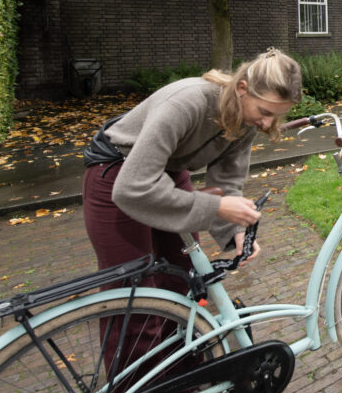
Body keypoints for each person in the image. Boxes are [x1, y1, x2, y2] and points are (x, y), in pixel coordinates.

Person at [82, 48, 302, 295]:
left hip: (169, 172)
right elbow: (133, 185)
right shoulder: (186, 102)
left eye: (276, 116)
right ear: (242, 88)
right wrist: (216, 207)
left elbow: (227, 180)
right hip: (119, 173)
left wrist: (237, 231)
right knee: (134, 287)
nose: (267, 124)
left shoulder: (247, 120)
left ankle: (179, 321)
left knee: (185, 272)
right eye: (265, 112)